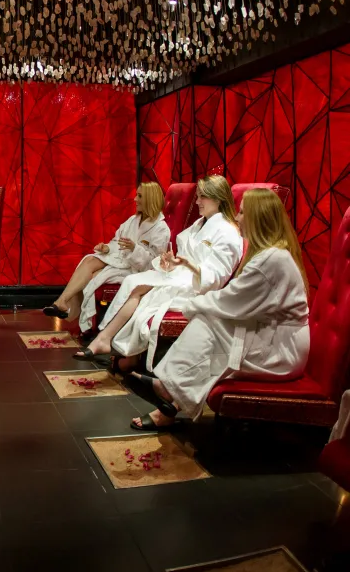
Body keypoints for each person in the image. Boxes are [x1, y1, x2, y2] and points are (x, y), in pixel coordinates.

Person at [127, 189, 309, 430]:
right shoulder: (269, 254)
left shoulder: (272, 260)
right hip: (270, 337)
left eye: (243, 212)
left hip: (280, 351)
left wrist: (193, 306)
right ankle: (170, 398)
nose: (238, 218)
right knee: (209, 324)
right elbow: (235, 299)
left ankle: (169, 390)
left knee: (206, 320)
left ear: (257, 218)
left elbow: (230, 299)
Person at [75, 175, 243, 371]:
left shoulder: (227, 232)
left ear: (218, 198)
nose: (197, 202)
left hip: (198, 287)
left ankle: (110, 342)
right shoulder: (200, 224)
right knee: (134, 281)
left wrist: (186, 265)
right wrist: (170, 263)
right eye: (197, 196)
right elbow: (184, 256)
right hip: (181, 275)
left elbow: (215, 278)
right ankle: (112, 344)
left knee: (139, 287)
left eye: (202, 197)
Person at [43, 182, 170, 336]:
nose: (135, 199)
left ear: (150, 199)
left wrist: (134, 249)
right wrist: (107, 248)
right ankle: (61, 302)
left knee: (93, 276)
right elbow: (117, 242)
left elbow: (154, 264)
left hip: (135, 270)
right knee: (89, 260)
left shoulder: (161, 229)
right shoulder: (132, 221)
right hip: (121, 260)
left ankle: (80, 318)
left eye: (140, 196)